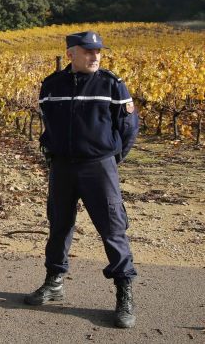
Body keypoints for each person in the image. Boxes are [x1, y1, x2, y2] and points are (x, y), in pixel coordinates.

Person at [25, 31, 139, 328]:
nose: (95, 56)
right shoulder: (51, 85)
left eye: (98, 51)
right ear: (71, 53)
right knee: (59, 225)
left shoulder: (111, 85)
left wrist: (111, 160)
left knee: (112, 230)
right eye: (88, 51)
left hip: (98, 168)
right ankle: (54, 281)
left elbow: (128, 128)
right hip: (62, 168)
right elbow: (48, 122)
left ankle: (123, 292)